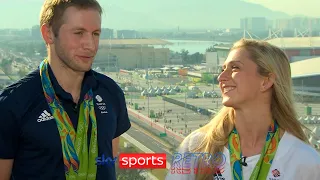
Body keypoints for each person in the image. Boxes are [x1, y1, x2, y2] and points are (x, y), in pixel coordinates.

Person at [0, 0, 131, 179]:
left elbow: (108, 160)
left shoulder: (110, 92)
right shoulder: (13, 103)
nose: (90, 45)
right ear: (48, 34)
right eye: (78, 33)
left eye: (95, 34)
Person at [166, 39, 320, 180]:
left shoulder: (305, 161)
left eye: (235, 68)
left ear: (266, 81)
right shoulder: (197, 147)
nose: (221, 77)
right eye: (223, 68)